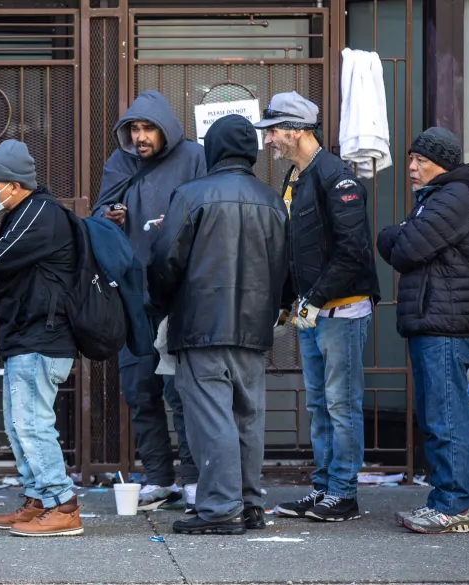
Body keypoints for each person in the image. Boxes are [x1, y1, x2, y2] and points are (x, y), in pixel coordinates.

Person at [148, 114, 289, 535]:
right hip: (254, 327)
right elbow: (287, 267)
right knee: (247, 417)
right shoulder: (272, 200)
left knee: (211, 417)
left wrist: (158, 304)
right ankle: (248, 504)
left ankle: (220, 508)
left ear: (213, 149)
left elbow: (164, 262)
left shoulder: (192, 195)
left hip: (200, 325)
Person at [256, 92, 380, 522]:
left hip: (341, 312)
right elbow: (295, 249)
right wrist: (290, 302)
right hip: (313, 313)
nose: (268, 140)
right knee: (320, 405)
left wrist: (312, 299)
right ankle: (325, 488)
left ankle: (343, 493)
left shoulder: (335, 176)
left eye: (273, 131)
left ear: (297, 130)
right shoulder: (296, 175)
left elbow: (353, 252)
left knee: (341, 404)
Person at [92, 90, 206, 512]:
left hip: (178, 293)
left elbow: (206, 212)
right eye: (134, 129)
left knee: (182, 391)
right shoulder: (119, 163)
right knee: (139, 390)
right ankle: (159, 478)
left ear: (166, 129)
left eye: (147, 129)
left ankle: (193, 478)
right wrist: (111, 218)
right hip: (131, 294)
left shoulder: (193, 157)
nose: (140, 137)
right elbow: (98, 218)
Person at [376, 127, 469, 534]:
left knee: (446, 419)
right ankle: (444, 501)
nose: (411, 167)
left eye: (421, 160)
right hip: (432, 321)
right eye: (410, 159)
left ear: (443, 162)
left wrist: (392, 235)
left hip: (445, 324)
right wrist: (400, 237)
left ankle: (453, 505)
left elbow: (405, 249)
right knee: (436, 416)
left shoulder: (454, 197)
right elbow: (410, 245)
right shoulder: (437, 199)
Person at [0, 140, 82, 537]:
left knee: (32, 424)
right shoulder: (24, 211)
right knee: (19, 424)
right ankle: (38, 499)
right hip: (27, 335)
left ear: (14, 184)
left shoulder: (39, 213)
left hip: (42, 336)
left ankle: (63, 505)